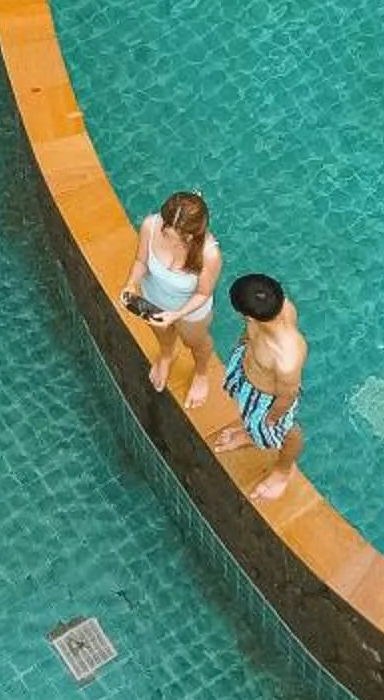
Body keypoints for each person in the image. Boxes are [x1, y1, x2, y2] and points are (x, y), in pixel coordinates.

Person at [122, 190, 221, 408]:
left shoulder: (209, 255)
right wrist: (131, 283)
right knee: (163, 335)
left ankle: (201, 373)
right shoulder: (151, 225)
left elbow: (203, 294)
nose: (164, 231)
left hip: (190, 311)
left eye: (171, 232)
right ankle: (166, 356)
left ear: (190, 236)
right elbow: (141, 261)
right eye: (165, 225)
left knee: (196, 343)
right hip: (153, 297)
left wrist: (176, 315)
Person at [214, 272, 305, 505]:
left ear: (248, 316)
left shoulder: (286, 356)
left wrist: (272, 419)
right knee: (250, 421)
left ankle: (283, 471)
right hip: (249, 375)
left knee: (289, 433)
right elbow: (250, 332)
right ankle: (248, 433)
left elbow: (289, 394)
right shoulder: (273, 307)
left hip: (268, 401)